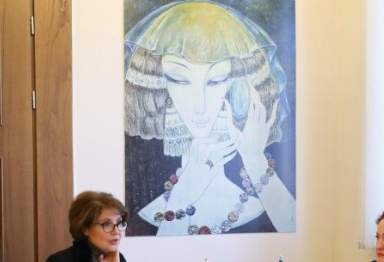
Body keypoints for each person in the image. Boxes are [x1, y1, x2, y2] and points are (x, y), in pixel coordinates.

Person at [123, 1, 296, 235]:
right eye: (179, 79)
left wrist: (254, 157)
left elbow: (295, 230)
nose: (200, 105)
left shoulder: (264, 203)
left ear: (234, 85)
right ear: (160, 85)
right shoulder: (142, 209)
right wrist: (185, 190)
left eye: (216, 80)